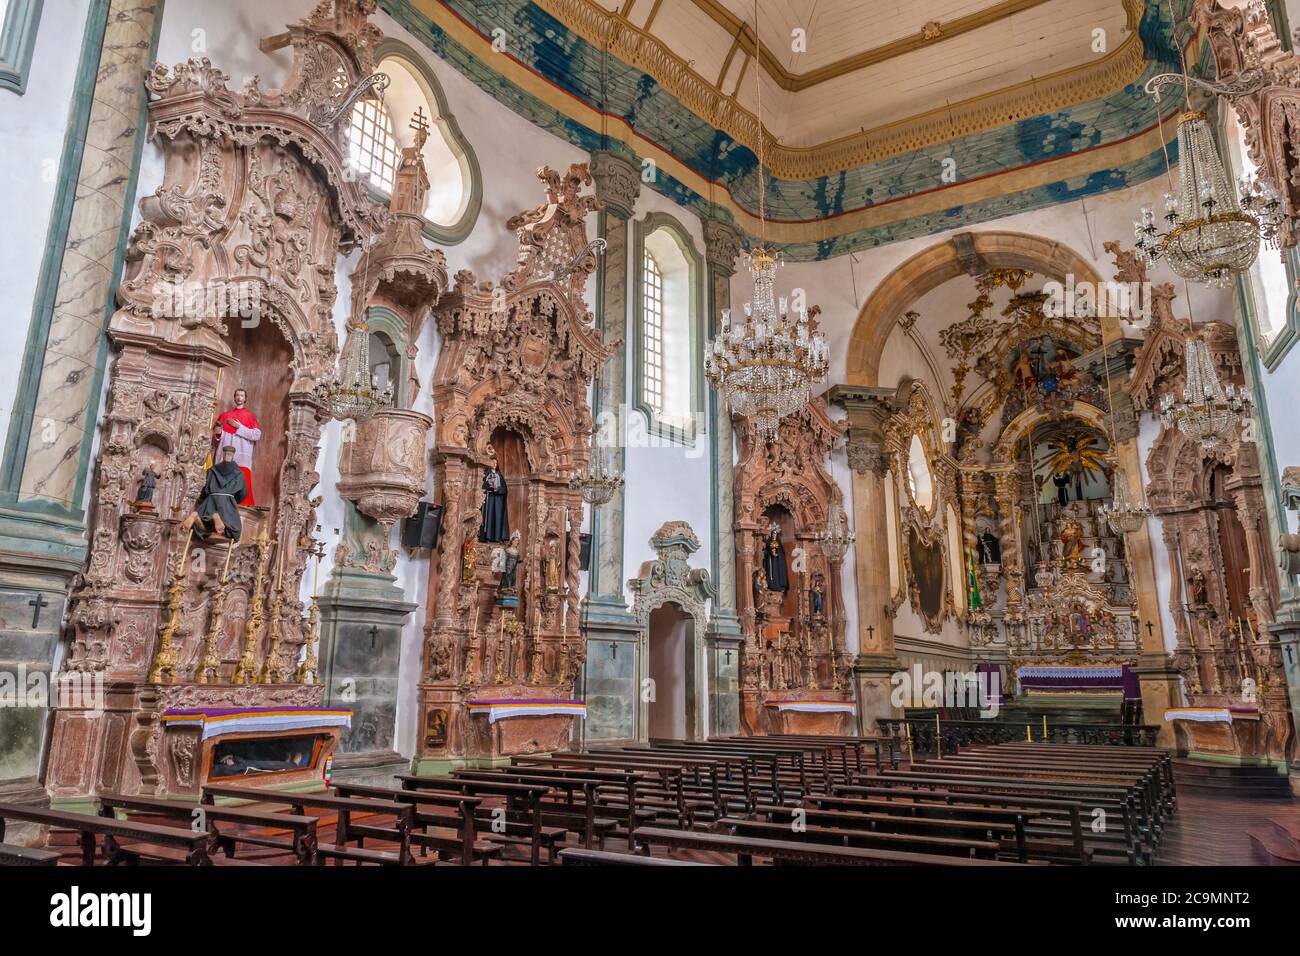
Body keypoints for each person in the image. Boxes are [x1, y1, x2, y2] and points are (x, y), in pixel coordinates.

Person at [181, 445, 249, 541]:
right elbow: (243, 493)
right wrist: (233, 500)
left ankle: (197, 516)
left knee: (202, 529)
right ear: (233, 456)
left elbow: (205, 489)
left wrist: (207, 497)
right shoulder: (239, 473)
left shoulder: (212, 470)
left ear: (223, 455)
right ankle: (216, 520)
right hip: (227, 502)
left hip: (210, 501)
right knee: (234, 530)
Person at [214, 388, 262, 506]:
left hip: (242, 454)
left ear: (245, 399)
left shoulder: (250, 416)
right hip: (226, 453)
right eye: (237, 395)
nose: (239, 397)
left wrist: (238, 427)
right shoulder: (225, 415)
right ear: (234, 398)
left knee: (242, 480)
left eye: (242, 395)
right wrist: (219, 432)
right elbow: (220, 436)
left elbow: (256, 435)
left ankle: (243, 505)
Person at [478, 450, 510, 543]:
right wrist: (488, 486)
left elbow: (504, 489)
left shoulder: (500, 476)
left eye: (496, 463)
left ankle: (496, 538)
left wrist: (497, 489)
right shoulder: (486, 475)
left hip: (497, 502)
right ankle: (485, 537)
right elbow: (482, 486)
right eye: (493, 462)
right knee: (487, 518)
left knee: (496, 518)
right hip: (488, 500)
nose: (494, 464)